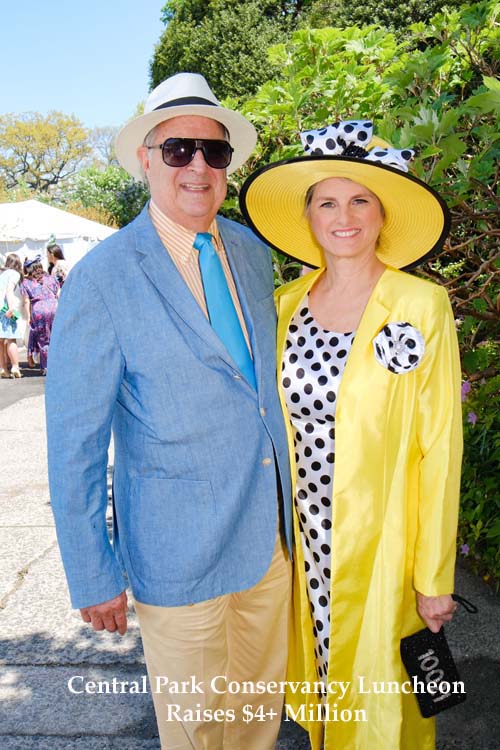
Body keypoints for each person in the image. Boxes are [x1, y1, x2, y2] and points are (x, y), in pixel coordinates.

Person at [45, 72, 292, 750]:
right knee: (194, 732)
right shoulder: (103, 277)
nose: (198, 167)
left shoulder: (249, 250)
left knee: (256, 720)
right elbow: (75, 442)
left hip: (268, 545)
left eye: (213, 153)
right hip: (176, 559)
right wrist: (93, 572)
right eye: (179, 149)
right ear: (145, 158)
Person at [240, 120, 463, 750]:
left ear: (382, 212)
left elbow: (440, 446)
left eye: (360, 199)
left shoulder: (421, 306)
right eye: (327, 202)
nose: (344, 217)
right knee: (325, 694)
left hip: (387, 543)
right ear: (308, 217)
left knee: (386, 709)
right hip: (303, 542)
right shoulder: (283, 305)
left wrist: (434, 575)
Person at [20, 257, 59, 376]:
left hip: (39, 311)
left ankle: (47, 367)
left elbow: (26, 301)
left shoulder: (26, 283)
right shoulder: (51, 278)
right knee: (56, 337)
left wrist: (28, 317)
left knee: (44, 341)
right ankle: (59, 364)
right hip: (55, 308)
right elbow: (58, 294)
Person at [0, 254, 28, 378]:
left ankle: (3, 368)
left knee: (0, 341)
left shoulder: (2, 274)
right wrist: (11, 307)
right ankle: (15, 367)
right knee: (12, 338)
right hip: (6, 308)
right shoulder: (14, 274)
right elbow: (9, 291)